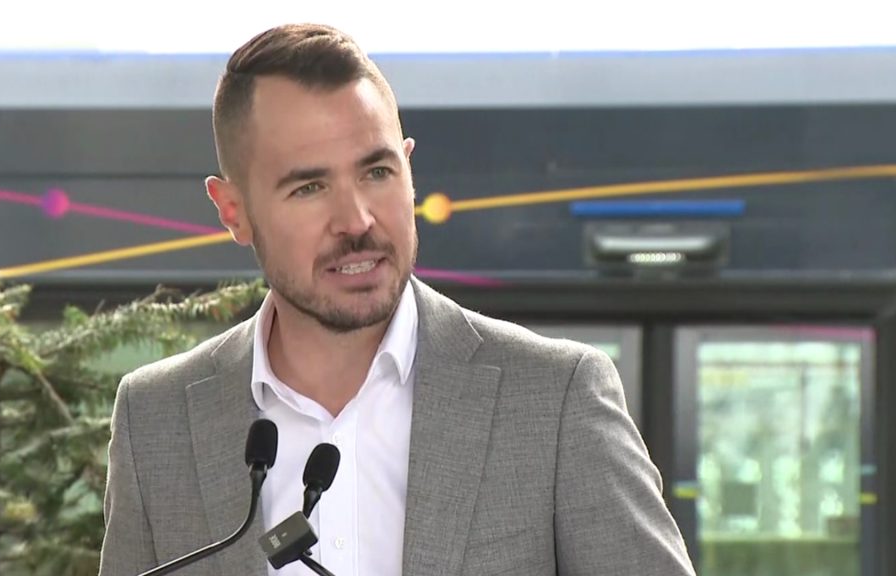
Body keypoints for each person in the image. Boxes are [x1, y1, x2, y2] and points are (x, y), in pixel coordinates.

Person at [98, 23, 696, 576]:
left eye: (376, 172)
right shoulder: (156, 420)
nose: (356, 220)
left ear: (408, 169)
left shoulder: (556, 397)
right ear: (233, 211)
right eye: (309, 187)